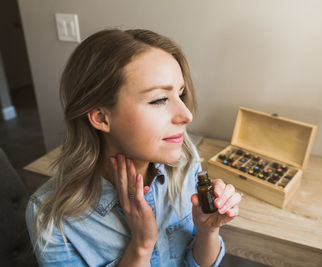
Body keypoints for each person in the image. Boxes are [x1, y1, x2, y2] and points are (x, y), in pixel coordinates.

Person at [25, 29, 242, 267]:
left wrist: (207, 231)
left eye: (180, 94)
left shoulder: (185, 161)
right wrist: (141, 246)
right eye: (159, 99)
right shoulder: (51, 218)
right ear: (101, 118)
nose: (187, 115)